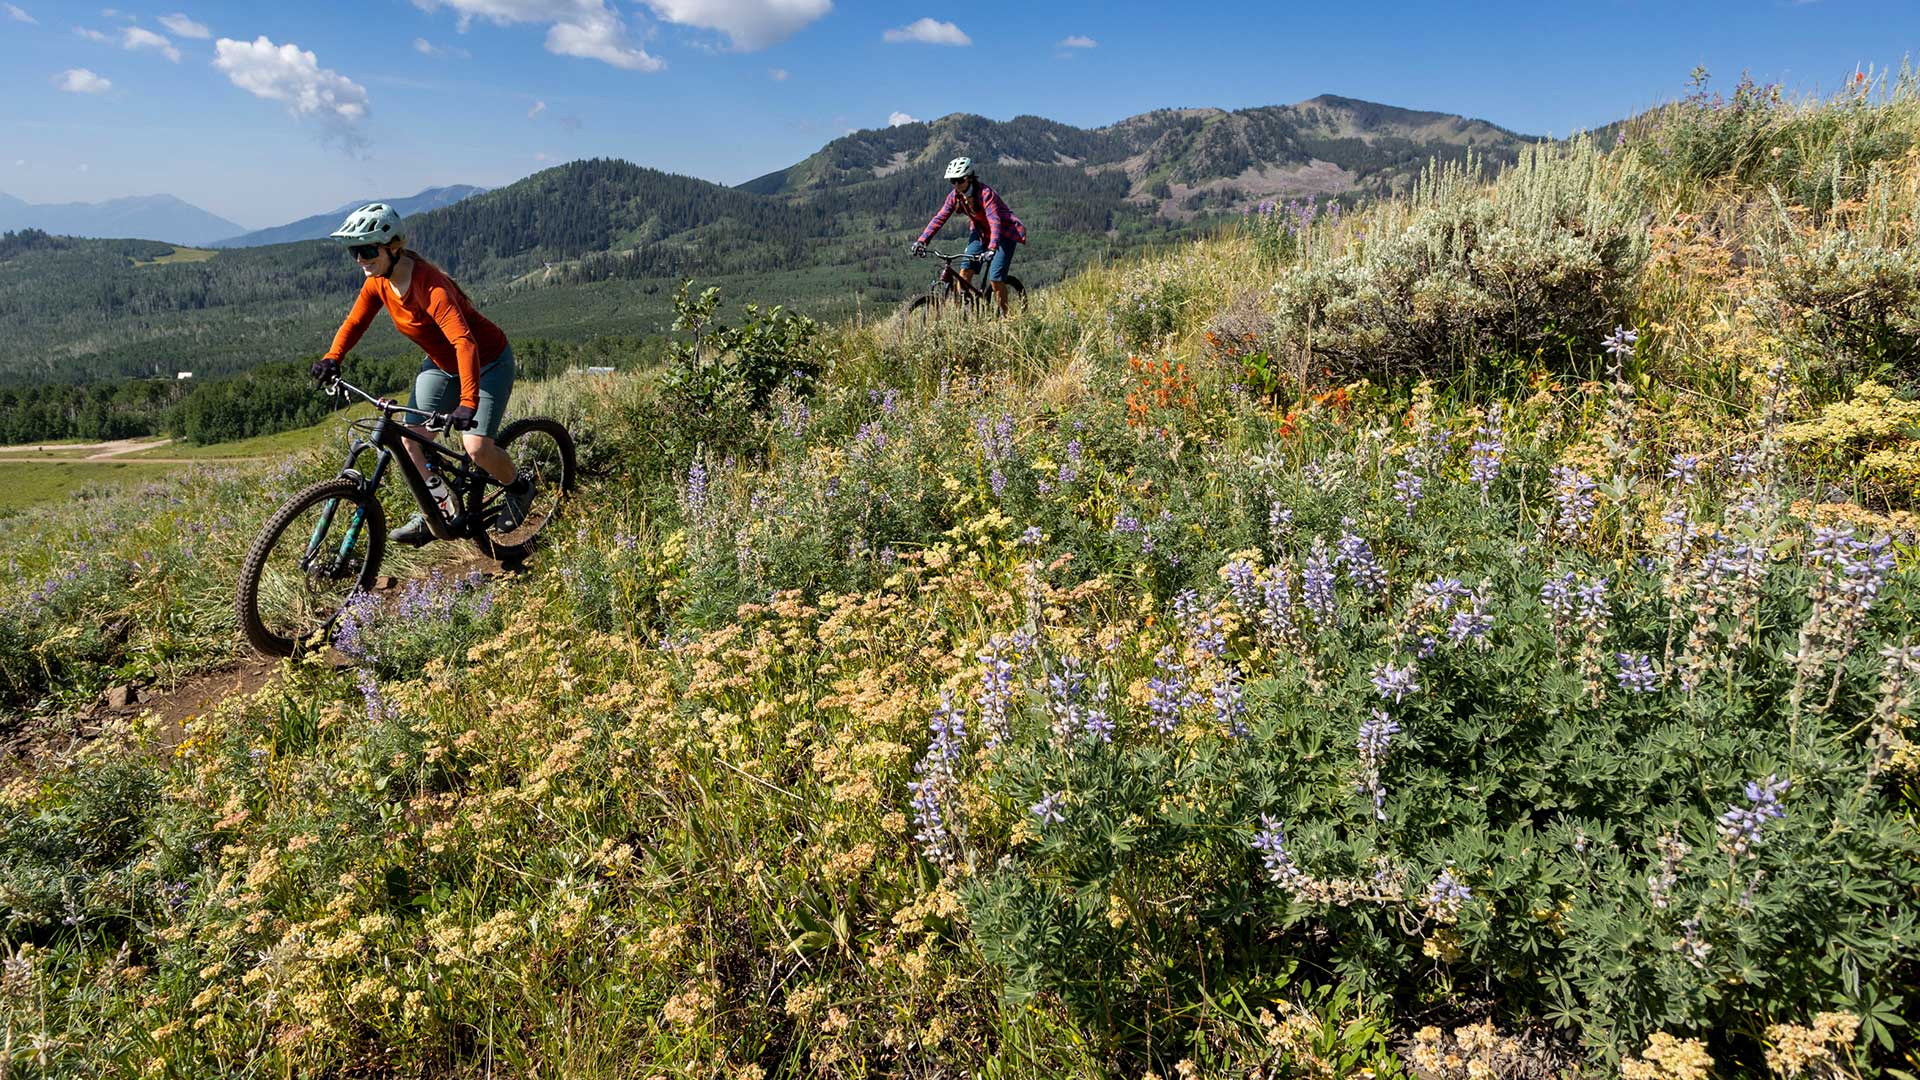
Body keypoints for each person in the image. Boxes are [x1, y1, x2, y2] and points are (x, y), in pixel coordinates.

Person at [310, 203, 531, 546]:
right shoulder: (378, 283)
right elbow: (355, 323)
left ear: (393, 248)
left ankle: (519, 487)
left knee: (476, 448)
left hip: (487, 362)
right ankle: (439, 509)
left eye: (367, 250)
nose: (360, 260)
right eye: (355, 251)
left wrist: (468, 402)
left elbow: (464, 342)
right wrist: (332, 358)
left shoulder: (431, 288)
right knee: (409, 440)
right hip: (442, 366)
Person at [913, 157, 1026, 315]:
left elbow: (995, 222)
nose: (956, 185)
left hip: (1003, 234)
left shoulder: (986, 194)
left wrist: (992, 248)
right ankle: (963, 316)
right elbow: (939, 218)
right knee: (964, 272)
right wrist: (922, 241)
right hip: (980, 233)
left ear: (970, 177)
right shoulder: (955, 196)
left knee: (996, 279)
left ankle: (1007, 317)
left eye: (960, 180)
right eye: (953, 181)